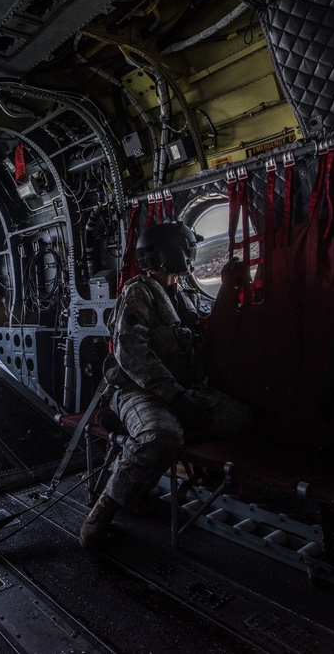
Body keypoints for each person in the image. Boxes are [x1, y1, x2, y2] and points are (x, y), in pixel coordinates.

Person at [79, 221, 253, 549]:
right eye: (187, 249)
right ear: (170, 253)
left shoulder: (180, 293)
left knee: (239, 417)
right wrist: (176, 400)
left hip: (181, 390)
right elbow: (130, 353)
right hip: (138, 390)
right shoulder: (139, 291)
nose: (191, 256)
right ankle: (105, 509)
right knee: (162, 436)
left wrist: (230, 286)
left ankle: (134, 431)